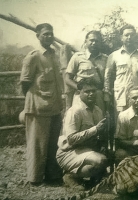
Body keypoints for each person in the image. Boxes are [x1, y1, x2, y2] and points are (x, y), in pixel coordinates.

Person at [20, 23, 63, 185]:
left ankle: (52, 175)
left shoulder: (53, 55)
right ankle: (35, 177)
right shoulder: (33, 56)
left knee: (52, 144)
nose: (49, 37)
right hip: (38, 107)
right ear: (37, 36)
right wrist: (33, 100)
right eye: (45, 34)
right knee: (36, 145)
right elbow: (25, 82)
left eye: (51, 34)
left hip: (55, 106)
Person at [56, 78, 108, 190]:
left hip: (87, 149)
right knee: (101, 160)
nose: (91, 94)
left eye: (93, 91)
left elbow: (101, 133)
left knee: (110, 155)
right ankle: (70, 176)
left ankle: (93, 180)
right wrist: (95, 130)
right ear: (80, 93)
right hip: (69, 151)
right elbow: (71, 139)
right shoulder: (75, 111)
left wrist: (103, 144)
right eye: (87, 91)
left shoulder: (98, 110)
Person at [104, 24, 138, 116]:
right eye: (126, 35)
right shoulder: (113, 56)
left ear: (136, 37)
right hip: (121, 98)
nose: (129, 37)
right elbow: (107, 78)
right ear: (121, 37)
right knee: (121, 125)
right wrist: (107, 96)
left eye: (132, 35)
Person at [65, 30, 107, 113]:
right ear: (86, 41)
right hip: (81, 95)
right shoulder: (77, 57)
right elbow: (67, 79)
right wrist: (79, 87)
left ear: (100, 43)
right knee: (80, 119)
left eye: (97, 41)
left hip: (98, 96)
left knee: (99, 120)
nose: (94, 43)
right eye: (91, 40)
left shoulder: (105, 59)